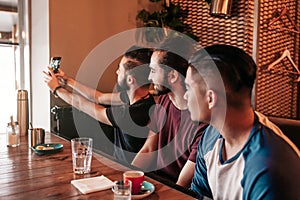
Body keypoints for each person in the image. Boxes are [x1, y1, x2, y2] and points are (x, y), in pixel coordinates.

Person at [184, 44, 300, 199]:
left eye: (188, 88)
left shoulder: (267, 167)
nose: (185, 96)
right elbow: (197, 194)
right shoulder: (210, 136)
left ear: (210, 98)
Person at [44, 46, 156, 164]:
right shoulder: (142, 99)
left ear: (130, 80)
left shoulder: (131, 114)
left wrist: (56, 89)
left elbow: (82, 105)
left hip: (127, 171)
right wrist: (67, 81)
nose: (116, 72)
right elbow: (98, 97)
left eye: (120, 69)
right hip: (119, 165)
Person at [131, 36, 208, 188]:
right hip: (154, 182)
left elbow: (183, 183)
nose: (149, 77)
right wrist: (129, 180)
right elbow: (148, 149)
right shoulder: (164, 101)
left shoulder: (203, 119)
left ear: (172, 76)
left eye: (153, 70)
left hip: (176, 191)